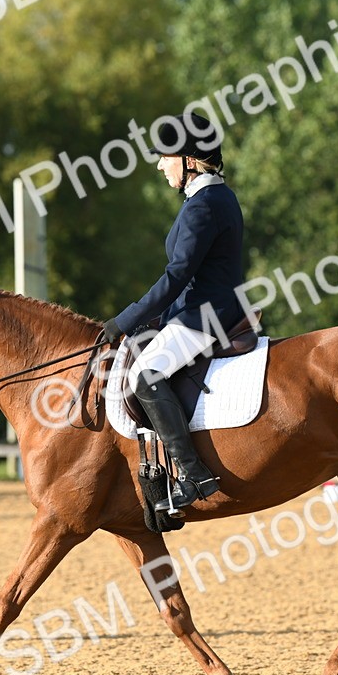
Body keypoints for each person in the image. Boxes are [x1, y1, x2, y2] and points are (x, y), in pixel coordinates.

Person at [101, 112, 246, 516]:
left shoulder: (205, 205)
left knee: (145, 377)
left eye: (165, 156)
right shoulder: (214, 198)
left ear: (188, 158)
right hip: (200, 311)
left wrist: (125, 320)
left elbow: (177, 276)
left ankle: (193, 474)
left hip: (205, 316)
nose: (159, 164)